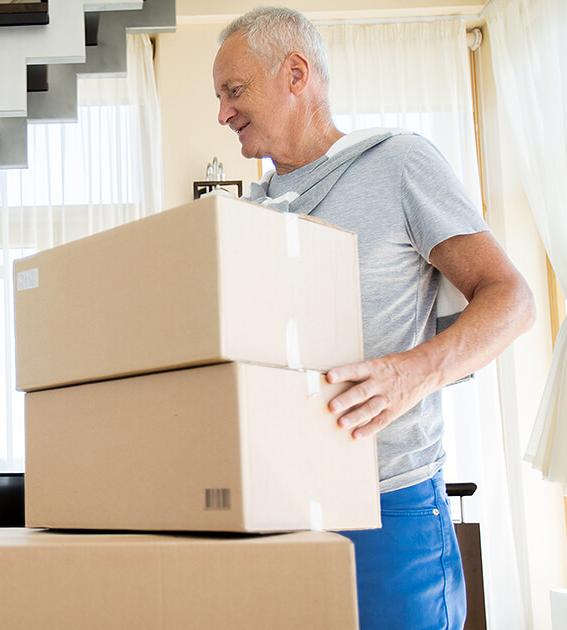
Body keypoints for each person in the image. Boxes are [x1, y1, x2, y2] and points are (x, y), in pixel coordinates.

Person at [212, 7, 535, 630]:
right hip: (277, 513)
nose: (223, 112)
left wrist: (414, 374)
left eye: (234, 90)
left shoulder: (399, 164)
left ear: (296, 73)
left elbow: (511, 297)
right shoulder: (247, 214)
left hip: (389, 510)